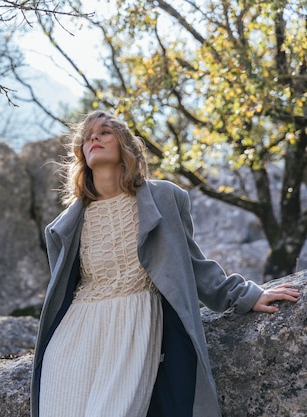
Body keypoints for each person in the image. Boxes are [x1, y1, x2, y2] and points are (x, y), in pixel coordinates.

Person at [30, 110, 300, 417]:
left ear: (125, 146)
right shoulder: (65, 225)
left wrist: (246, 295)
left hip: (132, 325)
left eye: (104, 132)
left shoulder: (163, 198)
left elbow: (192, 264)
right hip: (73, 338)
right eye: (88, 137)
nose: (94, 138)